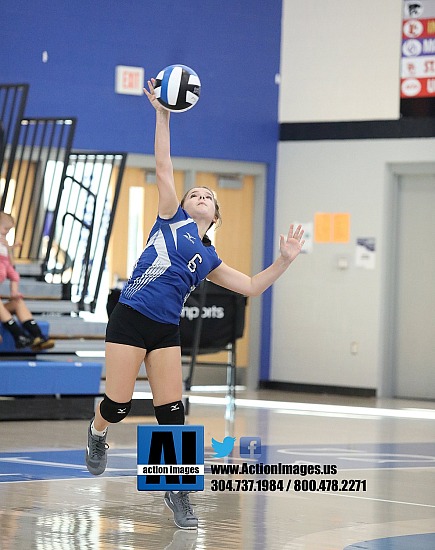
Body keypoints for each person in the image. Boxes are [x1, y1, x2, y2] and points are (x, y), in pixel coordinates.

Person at [85, 79, 305, 530]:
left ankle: (178, 492)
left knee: (173, 413)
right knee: (120, 405)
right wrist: (163, 111)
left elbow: (249, 286)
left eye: (209, 196)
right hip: (129, 317)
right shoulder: (171, 218)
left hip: (165, 330)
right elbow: (164, 166)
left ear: (216, 215)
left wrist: (283, 261)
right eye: (195, 193)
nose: (200, 195)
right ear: (184, 204)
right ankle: (97, 432)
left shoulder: (209, 257)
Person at [0, 211, 55, 351]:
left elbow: (10, 265)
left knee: (18, 302)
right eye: (5, 229)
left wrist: (8, 248)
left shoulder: (4, 246)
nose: (6, 233)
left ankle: (37, 336)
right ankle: (18, 335)